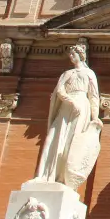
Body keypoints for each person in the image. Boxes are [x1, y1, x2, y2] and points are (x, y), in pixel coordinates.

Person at [35, 42, 101, 188]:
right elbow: (59, 90)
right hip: (67, 106)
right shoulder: (67, 74)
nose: (71, 57)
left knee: (72, 140)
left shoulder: (89, 74)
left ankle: (63, 177)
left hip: (82, 107)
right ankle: (45, 175)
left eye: (73, 54)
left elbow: (94, 96)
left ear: (81, 55)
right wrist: (70, 101)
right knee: (54, 137)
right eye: (70, 54)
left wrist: (95, 118)